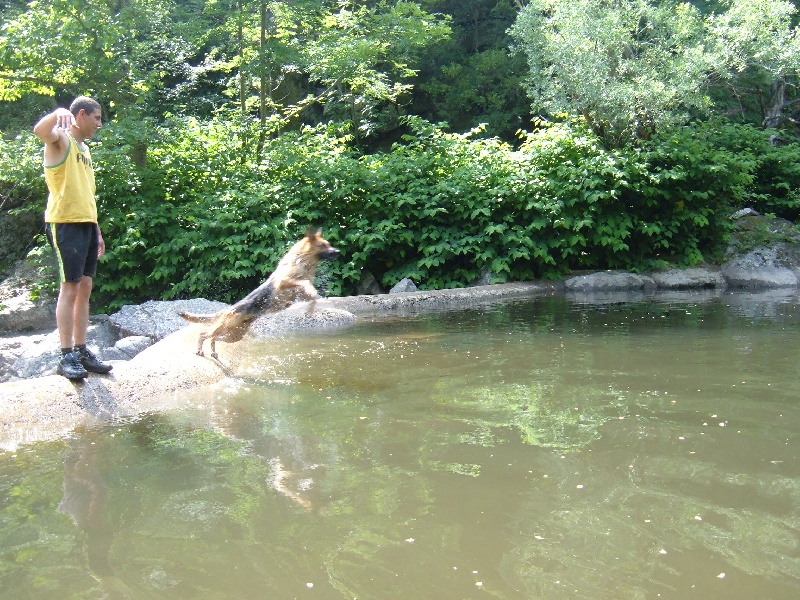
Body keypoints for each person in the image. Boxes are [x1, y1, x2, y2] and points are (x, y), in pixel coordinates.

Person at [33, 96, 113, 380]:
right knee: (69, 287)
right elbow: (40, 132)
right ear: (81, 114)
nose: (99, 124)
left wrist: (97, 230)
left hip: (87, 225)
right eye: (97, 118)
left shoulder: (85, 149)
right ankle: (65, 355)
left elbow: (87, 193)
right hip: (65, 223)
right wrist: (56, 112)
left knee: (85, 288)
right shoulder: (61, 140)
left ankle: (81, 350)